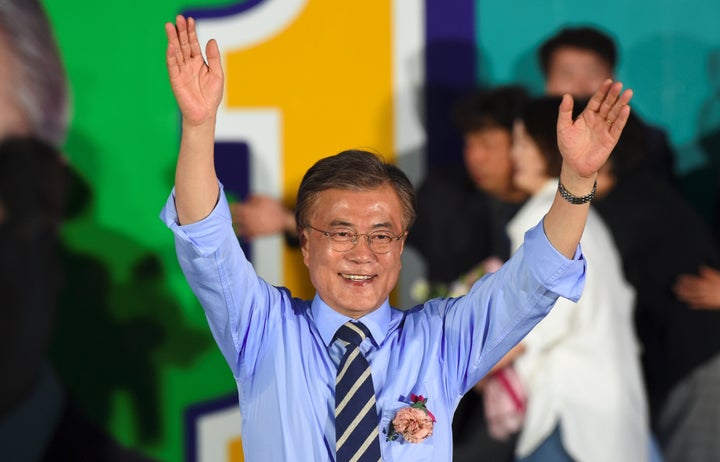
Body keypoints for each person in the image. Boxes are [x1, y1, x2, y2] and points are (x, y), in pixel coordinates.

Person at [161, 14, 633, 461]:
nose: (362, 254)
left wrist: (573, 180)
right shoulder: (262, 329)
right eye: (341, 232)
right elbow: (208, 243)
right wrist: (200, 127)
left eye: (381, 235)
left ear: (401, 248)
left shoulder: (441, 341)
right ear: (305, 243)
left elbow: (534, 281)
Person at [506, 96, 649, 462]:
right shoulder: (586, 219)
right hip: (606, 413)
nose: (514, 154)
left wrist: (469, 361)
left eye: (522, 142)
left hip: (571, 416)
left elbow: (537, 319)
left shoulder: (545, 219)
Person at [407, 85, 529, 462]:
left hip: (533, 383)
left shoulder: (555, 212)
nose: (474, 156)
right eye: (469, 143)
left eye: (488, 144)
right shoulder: (442, 192)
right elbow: (381, 230)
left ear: (523, 143)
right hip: (452, 376)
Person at [539, 26, 677, 186]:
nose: (580, 87)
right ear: (547, 82)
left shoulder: (648, 141)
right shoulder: (526, 138)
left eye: (592, 74)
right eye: (567, 75)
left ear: (613, 76)